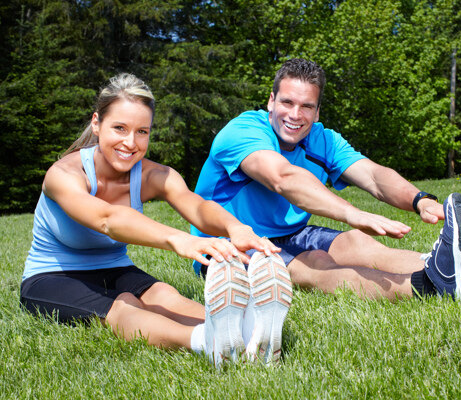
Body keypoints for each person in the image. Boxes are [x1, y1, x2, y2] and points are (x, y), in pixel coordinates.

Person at [191, 58, 461, 301]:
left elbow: (372, 175)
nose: (295, 115)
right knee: (317, 264)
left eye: (307, 106)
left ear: (318, 111)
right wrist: (354, 212)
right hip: (229, 247)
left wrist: (419, 199)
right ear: (271, 101)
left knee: (357, 243)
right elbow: (283, 178)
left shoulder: (322, 139)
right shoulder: (243, 131)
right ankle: (429, 286)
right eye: (287, 102)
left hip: (289, 232)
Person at [20, 73, 292, 367]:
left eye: (142, 132)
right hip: (52, 277)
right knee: (126, 306)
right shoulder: (64, 175)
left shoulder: (154, 175)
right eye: (120, 128)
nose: (130, 142)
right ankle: (208, 342)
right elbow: (107, 219)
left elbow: (197, 206)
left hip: (115, 268)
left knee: (165, 294)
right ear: (97, 123)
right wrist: (181, 240)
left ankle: (245, 330)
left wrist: (235, 227)